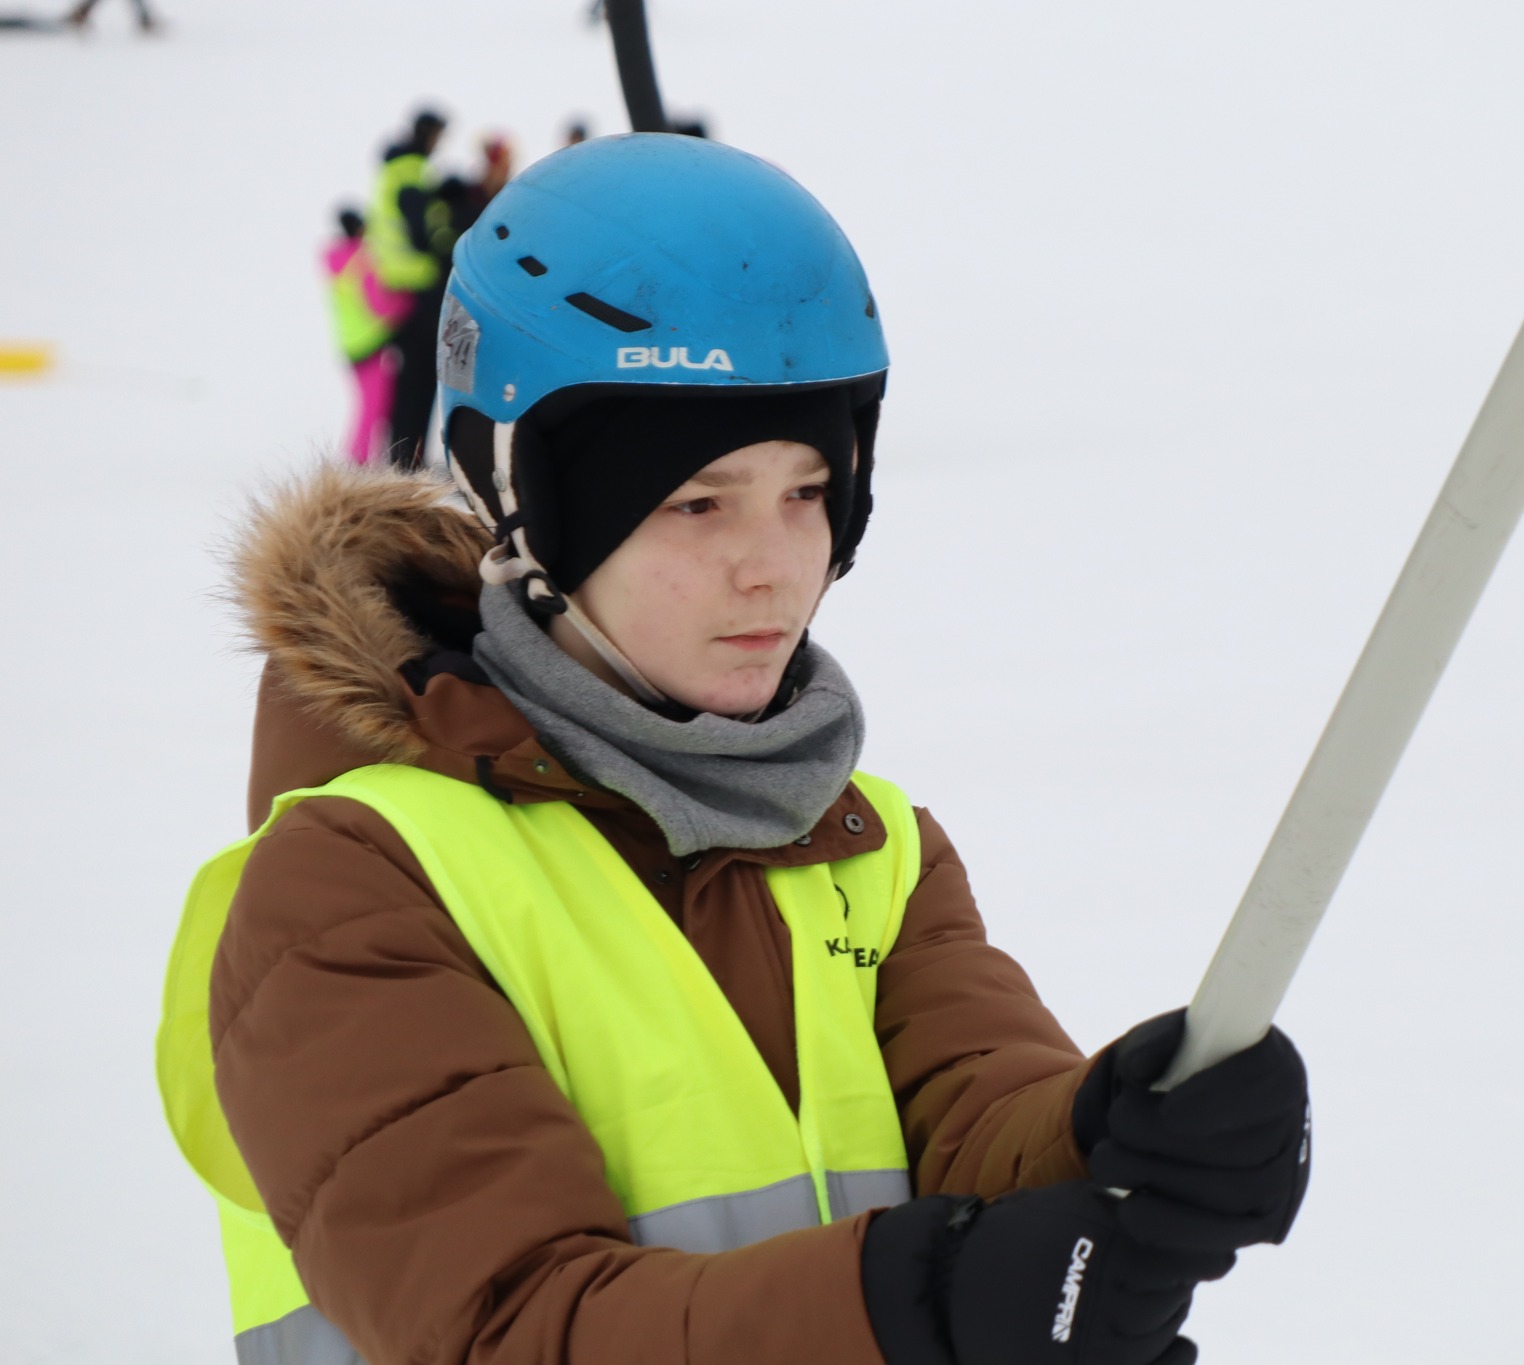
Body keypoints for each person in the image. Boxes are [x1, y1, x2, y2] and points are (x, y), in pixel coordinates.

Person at [158, 134, 1311, 1364]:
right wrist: (921, 1306)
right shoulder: (350, 890)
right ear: (522, 503)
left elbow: (973, 1122)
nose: (771, 565)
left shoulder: (864, 844)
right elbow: (508, 1325)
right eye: (695, 503)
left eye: (807, 491)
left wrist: (1114, 1128)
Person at [363, 107, 455, 470]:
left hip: (398, 289)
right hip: (420, 289)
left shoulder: (393, 169)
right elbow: (421, 233)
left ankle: (401, 456)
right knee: (419, 380)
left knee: (408, 380)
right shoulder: (410, 170)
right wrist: (449, 244)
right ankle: (407, 460)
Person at [320, 207, 411, 465]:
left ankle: (358, 458)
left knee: (365, 404)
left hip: (349, 343)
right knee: (374, 407)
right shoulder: (362, 261)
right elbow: (378, 305)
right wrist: (405, 303)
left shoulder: (334, 260)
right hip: (372, 342)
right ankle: (359, 460)